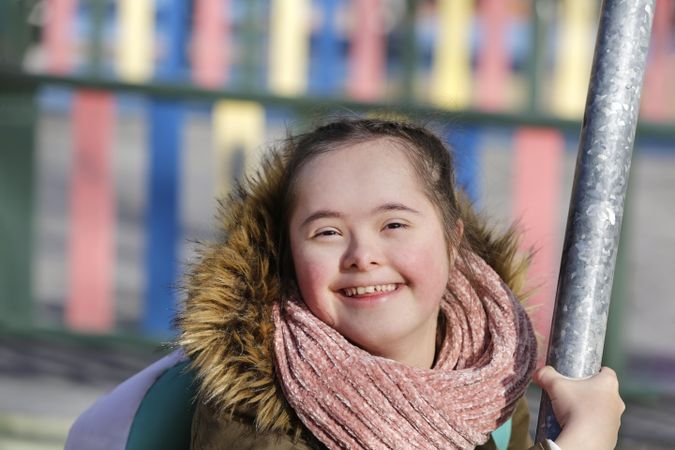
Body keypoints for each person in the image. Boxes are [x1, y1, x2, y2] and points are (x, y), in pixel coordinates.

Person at [175, 117, 624, 450]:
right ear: (291, 257)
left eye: (393, 224)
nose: (362, 256)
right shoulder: (255, 414)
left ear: (452, 242)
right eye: (327, 232)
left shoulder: (490, 381)